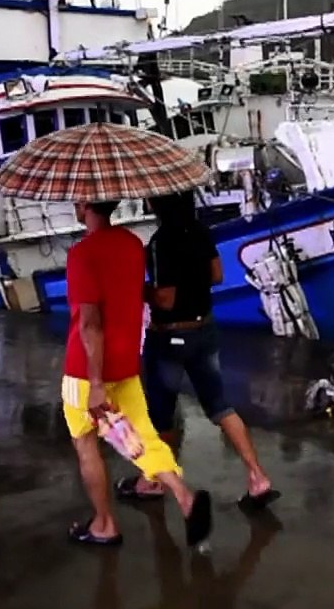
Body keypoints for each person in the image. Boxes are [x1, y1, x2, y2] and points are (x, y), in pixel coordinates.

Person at [62, 199, 212, 547]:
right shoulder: (131, 244)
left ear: (85, 205)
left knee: (86, 446)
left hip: (86, 372)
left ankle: (104, 524)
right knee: (142, 437)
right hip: (126, 363)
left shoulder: (82, 254)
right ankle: (185, 498)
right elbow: (138, 293)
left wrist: (96, 384)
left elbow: (89, 324)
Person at [119, 191, 279, 513]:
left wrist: (136, 288)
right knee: (220, 407)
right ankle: (258, 477)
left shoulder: (160, 244)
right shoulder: (200, 231)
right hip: (204, 330)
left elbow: (165, 300)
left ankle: (153, 482)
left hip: (170, 338)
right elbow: (217, 276)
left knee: (162, 415)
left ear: (157, 204)